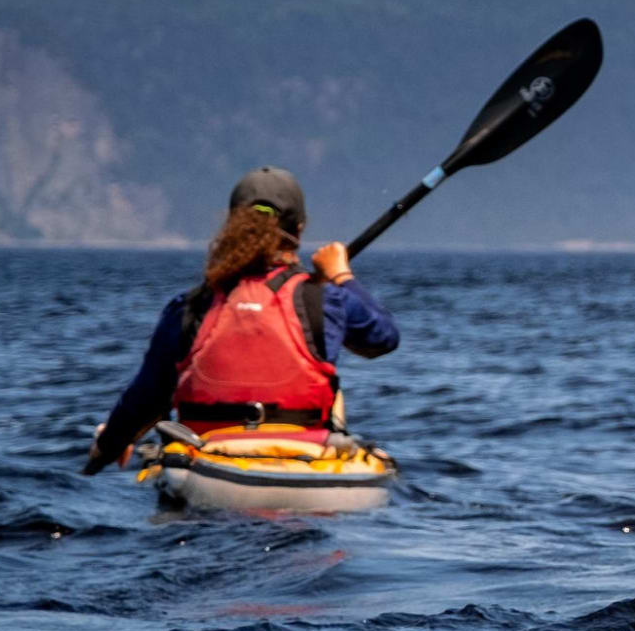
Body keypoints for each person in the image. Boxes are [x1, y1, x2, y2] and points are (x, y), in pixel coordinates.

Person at [81, 168, 398, 472]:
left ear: (233, 224)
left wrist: (110, 444)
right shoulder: (324, 298)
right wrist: (340, 274)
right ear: (299, 230)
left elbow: (147, 395)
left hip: (207, 458)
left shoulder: (192, 305)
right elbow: (383, 338)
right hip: (305, 457)